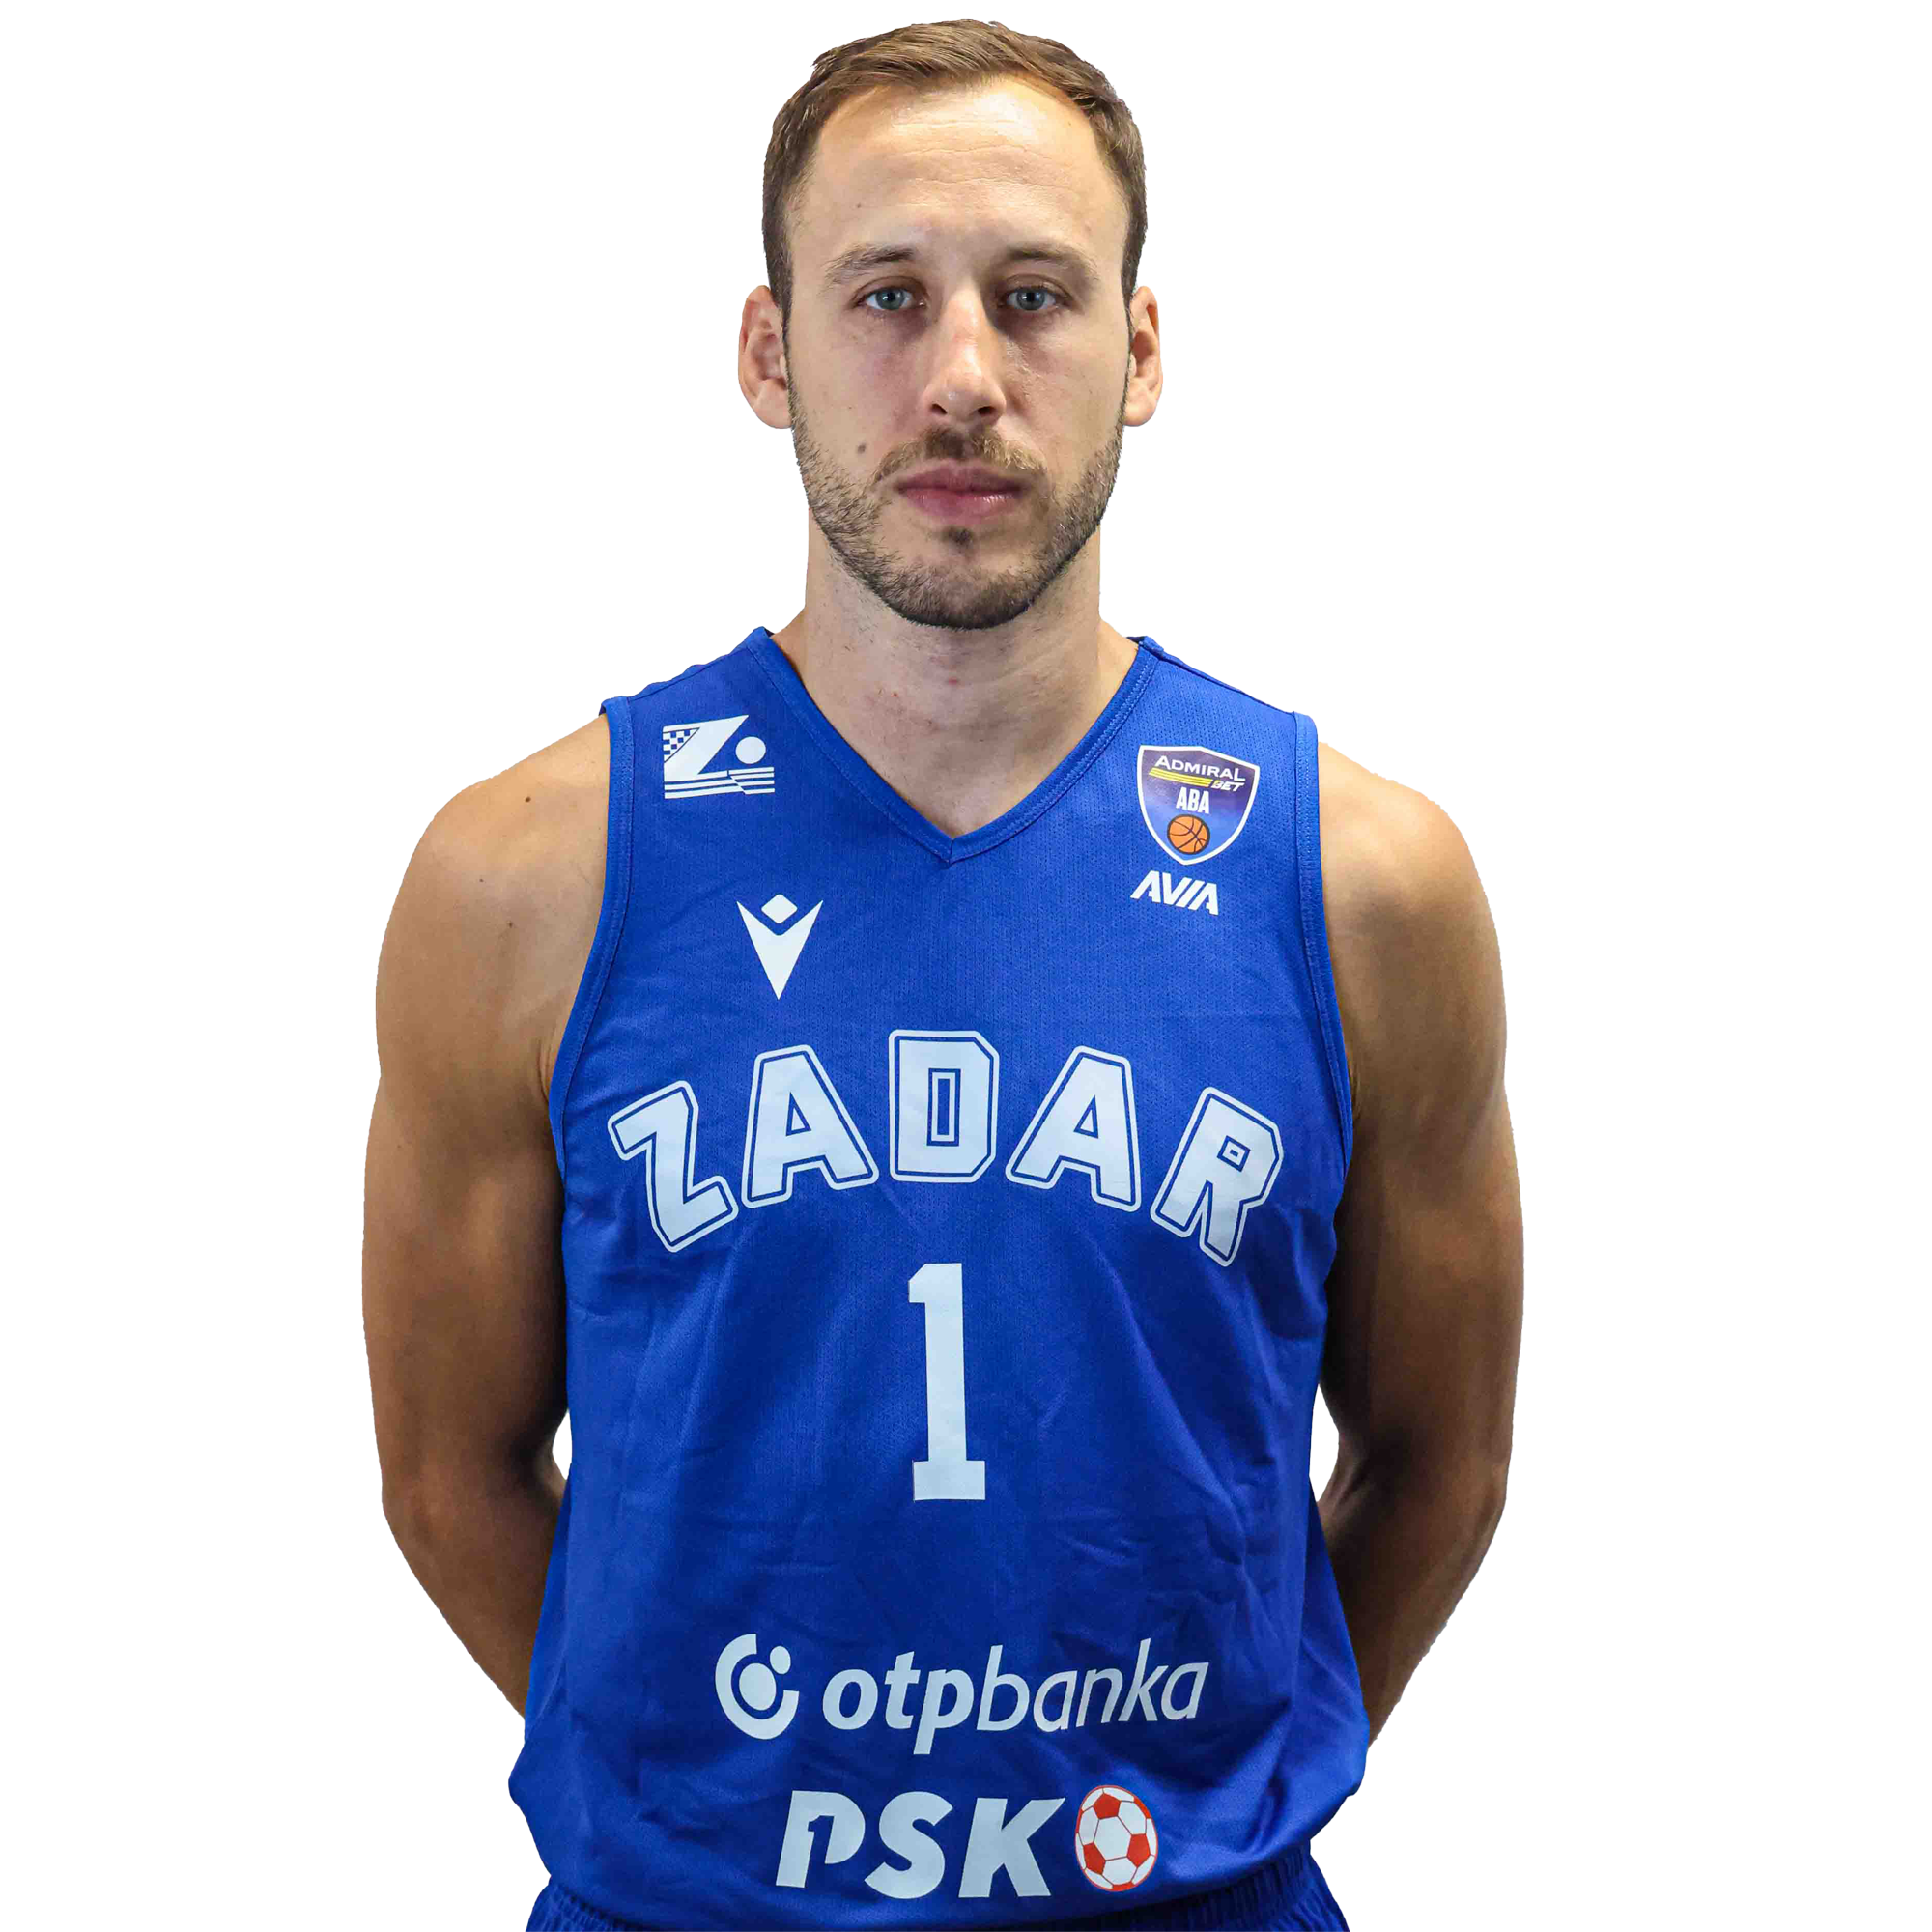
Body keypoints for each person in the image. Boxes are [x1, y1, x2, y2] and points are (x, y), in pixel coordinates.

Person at [363, 20, 1521, 1932]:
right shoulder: (523, 880)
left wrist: (1212, 1810)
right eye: (885, 296)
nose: (963, 375)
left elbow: (1442, 1459)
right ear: (771, 352)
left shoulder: (1361, 884)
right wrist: (703, 1813)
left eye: (1036, 296)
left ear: (1140, 351)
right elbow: (444, 1469)